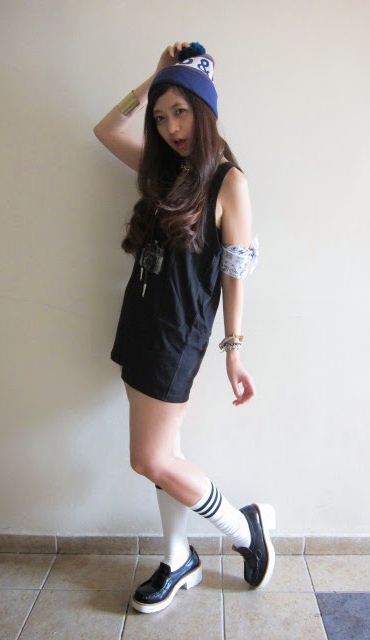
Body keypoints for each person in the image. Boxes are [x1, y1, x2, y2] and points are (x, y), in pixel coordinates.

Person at [94, 41, 275, 614]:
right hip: (140, 317)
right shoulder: (165, 168)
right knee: (166, 452)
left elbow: (235, 272)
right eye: (161, 115)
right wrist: (153, 79)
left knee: (149, 459)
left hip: (178, 335)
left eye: (181, 111)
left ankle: (243, 530)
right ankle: (178, 558)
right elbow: (105, 129)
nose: (171, 127)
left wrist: (233, 349)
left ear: (205, 110)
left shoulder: (229, 182)